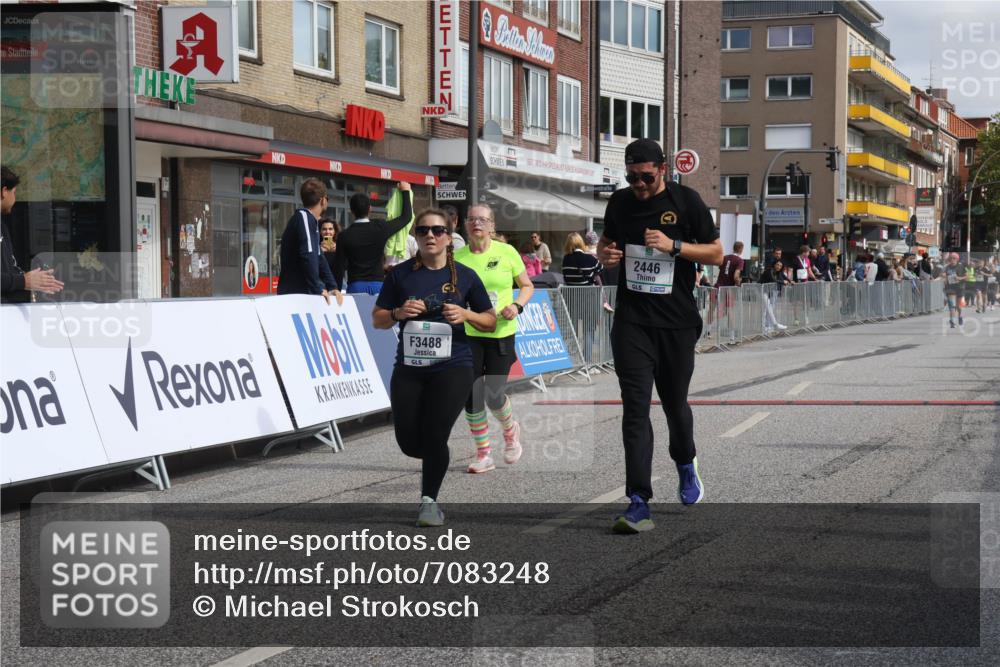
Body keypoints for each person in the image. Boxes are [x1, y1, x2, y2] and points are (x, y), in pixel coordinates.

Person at [597, 138, 723, 534]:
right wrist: (605, 254)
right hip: (632, 321)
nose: (638, 184)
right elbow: (606, 242)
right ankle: (638, 501)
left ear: (662, 169)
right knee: (635, 409)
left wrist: (674, 246)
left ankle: (685, 462)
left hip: (676, 323)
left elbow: (717, 253)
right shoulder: (620, 203)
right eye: (631, 177)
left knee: (674, 404)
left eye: (646, 177)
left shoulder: (686, 201)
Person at [373, 209, 496, 526]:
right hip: (410, 368)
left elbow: (490, 320)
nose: (430, 235)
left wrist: (466, 315)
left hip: (453, 366)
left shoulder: (466, 276)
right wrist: (399, 313)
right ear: (415, 236)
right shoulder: (400, 275)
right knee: (409, 442)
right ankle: (434, 454)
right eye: (423, 230)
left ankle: (429, 503)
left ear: (449, 237)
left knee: (435, 433)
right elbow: (378, 319)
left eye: (438, 230)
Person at [455, 203, 534, 474]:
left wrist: (517, 306)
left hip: (501, 332)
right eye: (472, 219)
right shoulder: (457, 258)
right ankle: (483, 454)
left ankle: (510, 432)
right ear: (465, 225)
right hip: (469, 333)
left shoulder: (506, 252)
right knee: (471, 394)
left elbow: (526, 285)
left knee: (493, 394)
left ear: (492, 226)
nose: (476, 223)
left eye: (482, 219)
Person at [334, 182, 413, 294]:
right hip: (378, 286)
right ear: (370, 209)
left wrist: (336, 290)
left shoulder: (344, 235)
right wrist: (405, 191)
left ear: (351, 211)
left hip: (355, 285)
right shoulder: (380, 228)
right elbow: (406, 217)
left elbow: (339, 267)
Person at [1, 166, 64, 302]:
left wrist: (36, 280)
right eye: (14, 192)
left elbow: (10, 269)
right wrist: (23, 281)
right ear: (4, 192)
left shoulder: (2, 226)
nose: (15, 199)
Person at [276, 179, 342, 303]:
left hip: (299, 293)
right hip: (295, 294)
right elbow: (308, 254)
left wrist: (332, 286)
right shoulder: (304, 218)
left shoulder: (309, 220)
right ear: (323, 200)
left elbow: (319, 257)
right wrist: (318, 287)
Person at [759, 259, 789, 332]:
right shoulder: (769, 271)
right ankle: (775, 324)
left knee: (767, 308)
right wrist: (783, 282)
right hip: (761, 290)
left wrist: (790, 281)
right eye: (777, 265)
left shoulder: (778, 272)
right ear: (774, 264)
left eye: (780, 266)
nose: (778, 267)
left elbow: (784, 277)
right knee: (767, 308)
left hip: (768, 291)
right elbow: (773, 279)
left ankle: (767, 326)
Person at [942, 252, 966, 328]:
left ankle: (960, 316)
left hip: (959, 287)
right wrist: (943, 276)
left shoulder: (961, 266)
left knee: (958, 306)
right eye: (951, 258)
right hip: (950, 288)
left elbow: (966, 276)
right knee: (952, 305)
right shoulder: (947, 267)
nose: (952, 260)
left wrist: (959, 278)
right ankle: (952, 321)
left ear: (957, 259)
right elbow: (943, 276)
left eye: (954, 258)